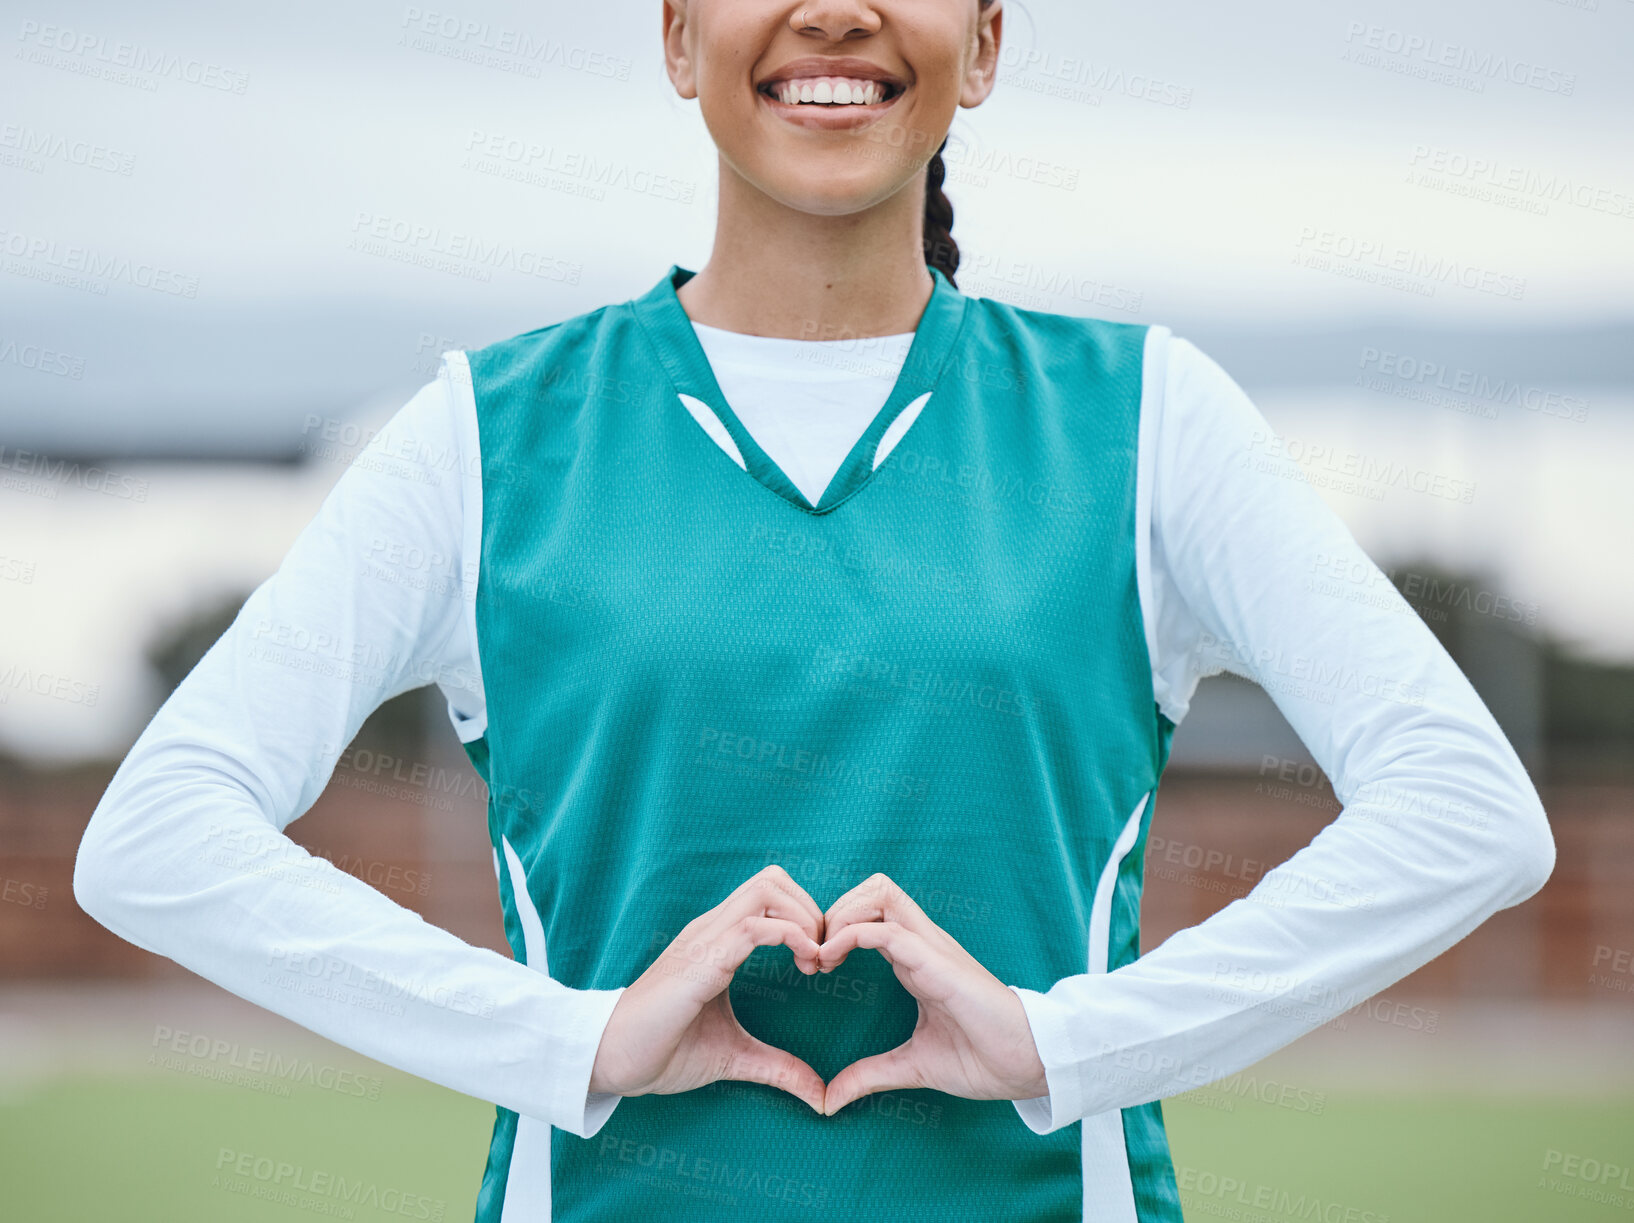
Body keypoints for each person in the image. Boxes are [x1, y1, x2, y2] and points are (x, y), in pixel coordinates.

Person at [74, 2, 1556, 1220]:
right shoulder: (484, 433)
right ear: (673, 39)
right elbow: (161, 839)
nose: (835, 11)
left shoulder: (1148, 417)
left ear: (981, 46)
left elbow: (1462, 812)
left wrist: (1070, 1044)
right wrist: (567, 1043)